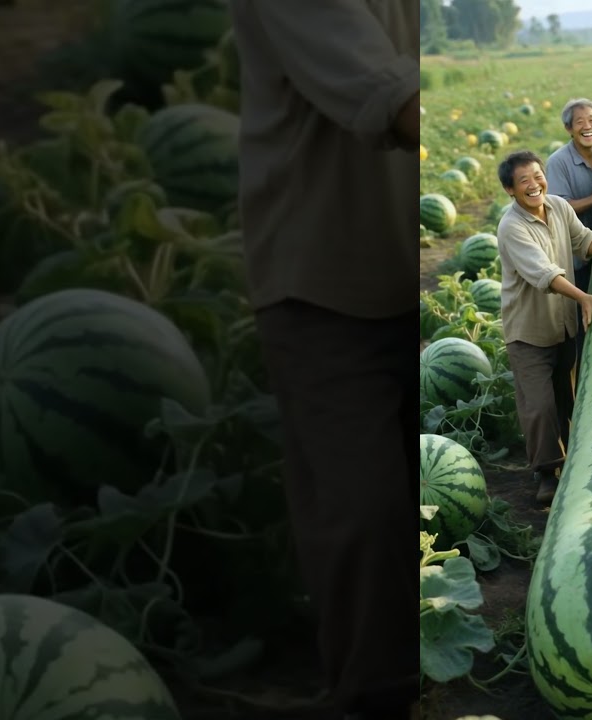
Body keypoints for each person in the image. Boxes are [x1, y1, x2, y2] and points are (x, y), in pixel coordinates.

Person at [229, 2, 418, 719]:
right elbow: (387, 95)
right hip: (320, 287)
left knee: (418, 521)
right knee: (365, 525)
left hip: (403, 277)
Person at [496, 150, 592, 504]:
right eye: (524, 181)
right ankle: (546, 473)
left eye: (537, 176)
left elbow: (583, 239)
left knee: (567, 399)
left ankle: (572, 461)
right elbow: (543, 273)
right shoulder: (512, 226)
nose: (534, 185)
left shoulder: (559, 208)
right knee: (539, 406)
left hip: (561, 326)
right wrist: (583, 297)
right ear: (510, 190)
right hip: (529, 333)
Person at [544, 98, 592, 380]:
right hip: (575, 263)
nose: (588, 126)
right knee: (580, 334)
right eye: (580, 122)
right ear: (568, 129)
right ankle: (581, 390)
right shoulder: (558, 162)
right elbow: (556, 210)